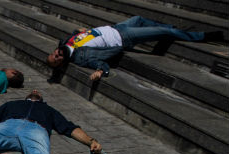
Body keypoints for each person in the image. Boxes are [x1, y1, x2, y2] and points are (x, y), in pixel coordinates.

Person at [45, 16, 223, 81]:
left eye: (54, 54)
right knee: (163, 32)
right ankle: (203, 36)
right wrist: (101, 72)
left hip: (116, 27)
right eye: (57, 59)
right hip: (123, 37)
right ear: (62, 63)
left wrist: (80, 32)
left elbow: (80, 35)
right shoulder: (81, 57)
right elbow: (99, 63)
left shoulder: (65, 42)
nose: (57, 54)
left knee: (140, 18)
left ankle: (171, 29)